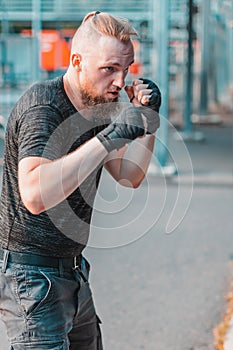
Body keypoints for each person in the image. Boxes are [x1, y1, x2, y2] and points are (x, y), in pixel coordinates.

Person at [0, 11, 161, 350]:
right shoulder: (43, 107)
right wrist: (110, 138)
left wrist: (147, 122)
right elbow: (34, 194)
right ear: (76, 61)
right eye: (109, 69)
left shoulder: (98, 108)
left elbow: (128, 175)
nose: (120, 81)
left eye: (126, 68)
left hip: (72, 272)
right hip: (30, 279)